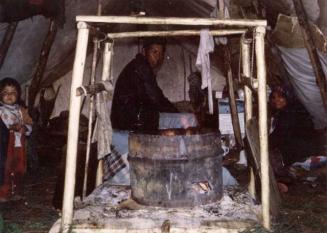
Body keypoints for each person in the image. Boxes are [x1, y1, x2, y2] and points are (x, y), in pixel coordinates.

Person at [111, 37, 178, 131]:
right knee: (184, 120)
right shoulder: (142, 68)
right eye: (154, 52)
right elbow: (156, 97)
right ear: (144, 51)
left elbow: (155, 95)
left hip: (128, 120)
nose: (158, 58)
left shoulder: (138, 65)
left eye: (161, 53)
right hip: (130, 123)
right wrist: (176, 111)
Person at [269, 86, 318, 170]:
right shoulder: (289, 110)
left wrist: (263, 143)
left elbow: (279, 135)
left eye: (281, 97)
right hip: (303, 147)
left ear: (288, 97)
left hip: (303, 151)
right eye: (273, 97)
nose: (276, 100)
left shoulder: (290, 112)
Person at [0, 77, 32, 202]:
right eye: (5, 93)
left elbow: (29, 123)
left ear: (18, 95)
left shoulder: (21, 110)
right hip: (6, 144)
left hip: (19, 143)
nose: (9, 96)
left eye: (13, 93)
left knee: (19, 167)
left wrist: (25, 127)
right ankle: (3, 193)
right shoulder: (1, 110)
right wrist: (11, 127)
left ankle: (17, 191)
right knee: (6, 167)